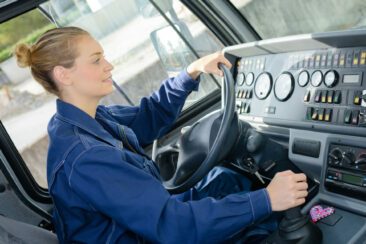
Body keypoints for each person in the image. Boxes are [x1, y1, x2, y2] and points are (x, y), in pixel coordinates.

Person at [15, 27, 308, 244]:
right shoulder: (87, 156)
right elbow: (171, 226)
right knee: (263, 226)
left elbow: (148, 117)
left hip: (150, 224)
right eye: (96, 60)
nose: (109, 66)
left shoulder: (86, 119)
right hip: (154, 234)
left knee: (231, 179)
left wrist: (191, 73)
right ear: (64, 75)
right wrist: (265, 200)